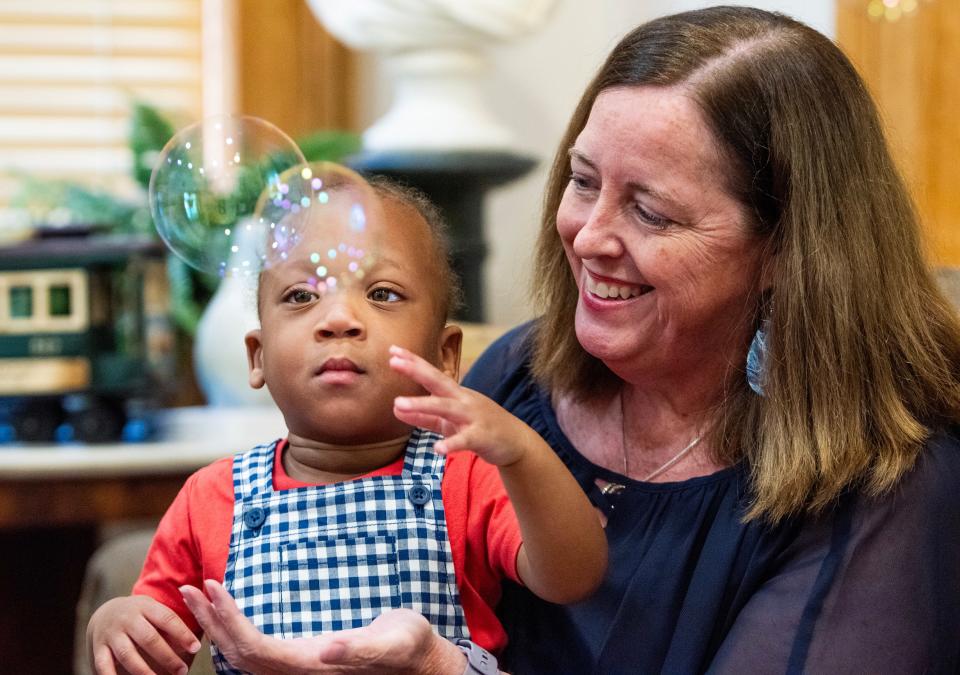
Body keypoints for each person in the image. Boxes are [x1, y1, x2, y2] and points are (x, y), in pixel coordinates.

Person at [175, 6, 960, 674]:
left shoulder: (887, 483)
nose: (587, 235)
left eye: (651, 211)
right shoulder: (518, 374)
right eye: (584, 181)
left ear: (787, 248)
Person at [85, 178, 607, 675]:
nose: (338, 319)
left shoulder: (465, 475)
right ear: (258, 355)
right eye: (300, 296)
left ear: (445, 355)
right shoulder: (209, 498)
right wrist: (119, 622)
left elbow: (573, 576)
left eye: (381, 293)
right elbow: (157, 648)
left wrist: (522, 452)